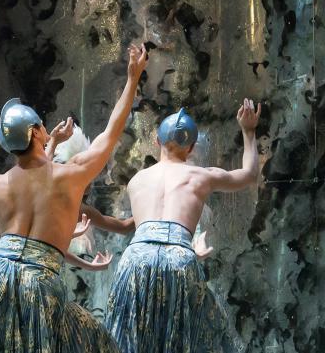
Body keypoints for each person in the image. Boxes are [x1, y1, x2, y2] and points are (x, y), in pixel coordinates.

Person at [0, 44, 148, 353]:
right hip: (38, 285)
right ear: (39, 133)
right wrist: (132, 79)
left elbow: (5, 241)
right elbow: (110, 133)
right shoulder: (71, 174)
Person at [105, 101, 262, 353]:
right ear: (190, 148)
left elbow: (130, 225)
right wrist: (248, 131)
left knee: (129, 338)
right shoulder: (201, 175)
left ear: (157, 141)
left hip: (137, 257)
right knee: (183, 338)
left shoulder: (137, 180)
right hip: (179, 259)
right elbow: (250, 174)